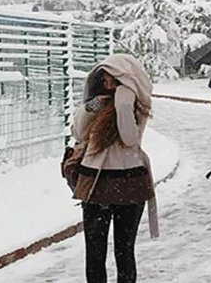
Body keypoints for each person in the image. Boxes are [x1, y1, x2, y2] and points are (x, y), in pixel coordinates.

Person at [70, 54, 159, 283]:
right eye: (104, 79)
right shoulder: (97, 102)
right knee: (95, 252)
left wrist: (123, 104)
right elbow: (79, 134)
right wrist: (90, 107)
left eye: (113, 79)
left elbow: (129, 138)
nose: (107, 84)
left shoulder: (137, 104)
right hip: (96, 183)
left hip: (130, 183)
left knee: (124, 250)